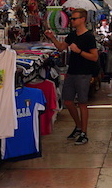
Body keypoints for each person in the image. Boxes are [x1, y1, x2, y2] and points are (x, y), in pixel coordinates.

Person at [44, 9, 99, 145]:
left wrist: (79, 51)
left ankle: (84, 132)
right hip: (72, 71)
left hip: (83, 73)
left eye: (74, 19)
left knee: (82, 103)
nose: (72, 21)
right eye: (72, 19)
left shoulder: (89, 37)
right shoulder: (72, 35)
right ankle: (79, 127)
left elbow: (94, 57)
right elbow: (61, 47)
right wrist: (52, 38)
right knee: (67, 101)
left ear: (82, 19)